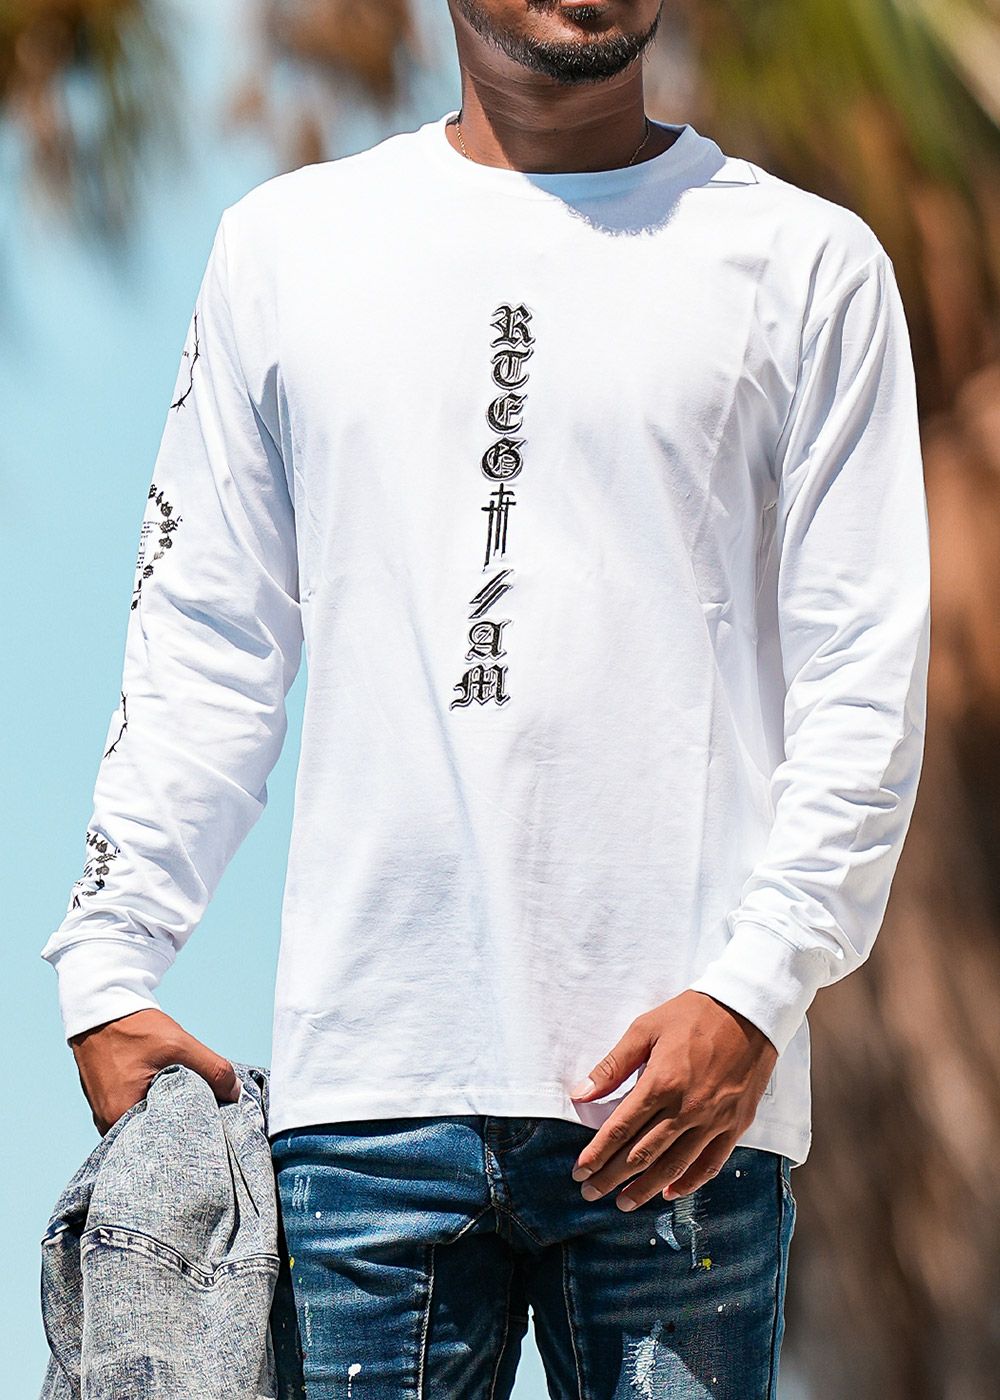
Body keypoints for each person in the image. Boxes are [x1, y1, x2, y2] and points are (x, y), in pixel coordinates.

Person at [40, 1, 931, 1394]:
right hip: (369, 1104)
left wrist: (755, 993)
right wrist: (107, 961)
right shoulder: (289, 249)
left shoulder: (805, 263)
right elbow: (207, 636)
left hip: (685, 1103)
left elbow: (864, 673)